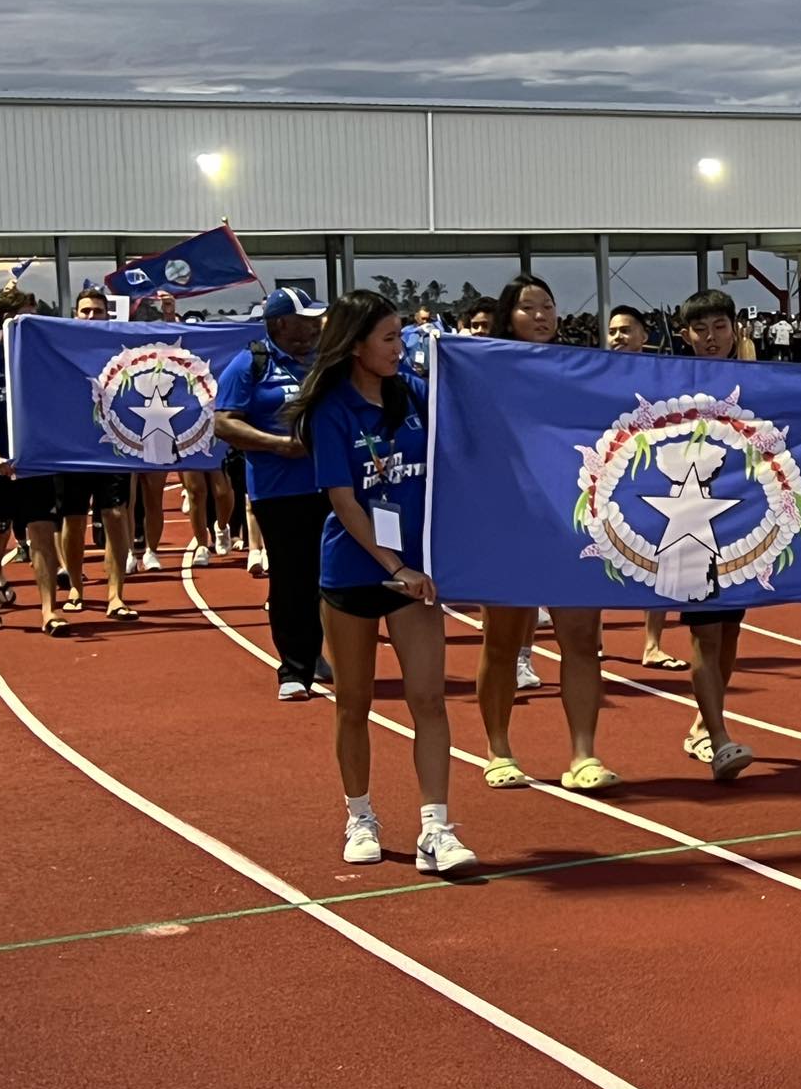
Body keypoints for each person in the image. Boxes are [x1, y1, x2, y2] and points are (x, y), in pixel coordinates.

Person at [289, 288, 476, 874]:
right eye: (390, 338)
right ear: (356, 345)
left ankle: (436, 828)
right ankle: (360, 815)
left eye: (401, 336)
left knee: (429, 700)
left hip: (413, 576)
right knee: (354, 703)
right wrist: (393, 566)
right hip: (355, 569)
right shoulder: (330, 409)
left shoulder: (413, 394)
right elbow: (344, 501)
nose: (401, 348)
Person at [474, 274, 631, 790]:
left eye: (548, 305)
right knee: (502, 641)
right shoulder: (482, 369)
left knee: (581, 640)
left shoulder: (578, 369)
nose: (541, 315)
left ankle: (583, 755)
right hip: (508, 522)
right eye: (528, 307)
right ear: (507, 315)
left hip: (572, 521)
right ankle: (499, 749)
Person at [216, 287, 330, 699]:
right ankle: (294, 669)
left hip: (332, 485)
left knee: (329, 576)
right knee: (292, 578)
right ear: (280, 323)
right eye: (306, 319)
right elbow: (224, 424)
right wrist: (279, 444)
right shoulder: (250, 364)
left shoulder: (324, 361)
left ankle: (316, 652)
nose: (316, 325)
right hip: (279, 491)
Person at [671, 289, 762, 780]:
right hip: (687, 522)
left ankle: (705, 723)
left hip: (740, 523)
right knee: (706, 634)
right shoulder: (669, 382)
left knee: (729, 632)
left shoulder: (755, 382)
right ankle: (718, 734)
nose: (710, 338)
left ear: (735, 330)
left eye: (719, 328)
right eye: (700, 329)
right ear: (685, 335)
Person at [0, 288, 65, 634]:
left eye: (34, 317)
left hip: (35, 466)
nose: (30, 324)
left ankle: (50, 610)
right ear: (5, 320)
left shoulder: (42, 360)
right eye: (23, 317)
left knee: (43, 536)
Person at [598, 304, 690, 677]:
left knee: (660, 557)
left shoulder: (663, 375)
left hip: (653, 475)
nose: (618, 336)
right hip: (607, 475)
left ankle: (652, 644)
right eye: (613, 330)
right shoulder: (593, 374)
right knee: (599, 557)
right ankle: (594, 639)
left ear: (643, 336)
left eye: (626, 330)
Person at [56, 288, 138, 622]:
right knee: (73, 520)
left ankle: (116, 594)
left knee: (116, 516)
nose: (91, 317)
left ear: (108, 315)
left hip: (111, 445)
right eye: (85, 311)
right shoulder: (58, 347)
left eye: (98, 311)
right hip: (71, 447)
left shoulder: (121, 348)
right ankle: (76, 586)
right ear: (75, 314)